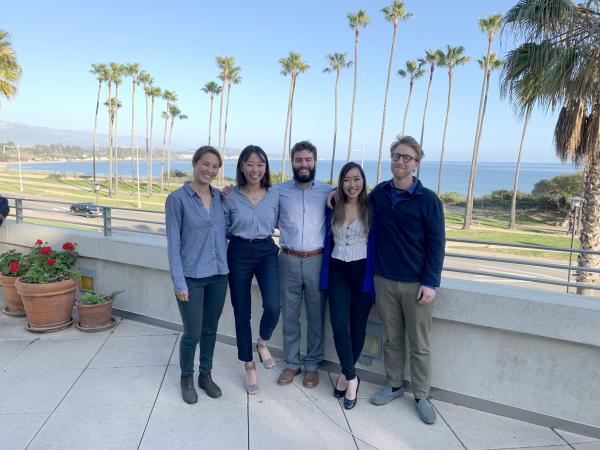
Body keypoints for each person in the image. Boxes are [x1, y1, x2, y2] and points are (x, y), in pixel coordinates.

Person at [368, 135, 445, 425]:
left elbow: (437, 244)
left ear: (416, 164)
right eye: (397, 156)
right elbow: (357, 204)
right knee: (391, 338)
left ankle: (422, 395)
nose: (401, 161)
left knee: (420, 343)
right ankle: (394, 384)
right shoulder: (380, 193)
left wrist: (430, 282)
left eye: (407, 158)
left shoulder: (428, 200)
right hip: (384, 280)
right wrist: (335, 194)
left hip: (417, 285)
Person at [165, 146, 229, 404]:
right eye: (206, 164)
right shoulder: (177, 199)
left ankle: (206, 375)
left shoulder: (220, 198)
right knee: (192, 332)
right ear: (194, 163)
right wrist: (179, 282)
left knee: (211, 330)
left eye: (215, 167)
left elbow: (229, 228)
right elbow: (173, 245)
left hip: (218, 275)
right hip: (191, 278)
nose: (210, 170)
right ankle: (186, 378)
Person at [223, 145, 280, 395]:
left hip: (267, 251)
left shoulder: (275, 194)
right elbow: (221, 227)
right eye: (250, 164)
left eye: (260, 164)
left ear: (266, 168)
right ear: (242, 167)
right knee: (241, 311)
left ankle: (263, 342)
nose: (255, 169)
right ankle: (248, 364)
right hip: (238, 251)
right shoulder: (229, 196)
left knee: (273, 305)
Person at [277, 140, 334, 388]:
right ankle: (291, 363)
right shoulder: (277, 191)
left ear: (314, 162)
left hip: (317, 260)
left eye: (307, 160)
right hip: (287, 259)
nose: (303, 165)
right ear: (292, 162)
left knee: (315, 315)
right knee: (289, 315)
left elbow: (358, 200)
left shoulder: (328, 191)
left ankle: (312, 365)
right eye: (298, 160)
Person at [319, 162, 375, 409]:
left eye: (356, 179)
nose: (352, 185)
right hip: (338, 270)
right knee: (340, 325)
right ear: (340, 183)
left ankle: (344, 374)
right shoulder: (332, 206)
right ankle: (352, 378)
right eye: (346, 180)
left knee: (358, 327)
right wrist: (333, 191)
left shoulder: (372, 207)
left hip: (363, 270)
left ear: (363, 181)